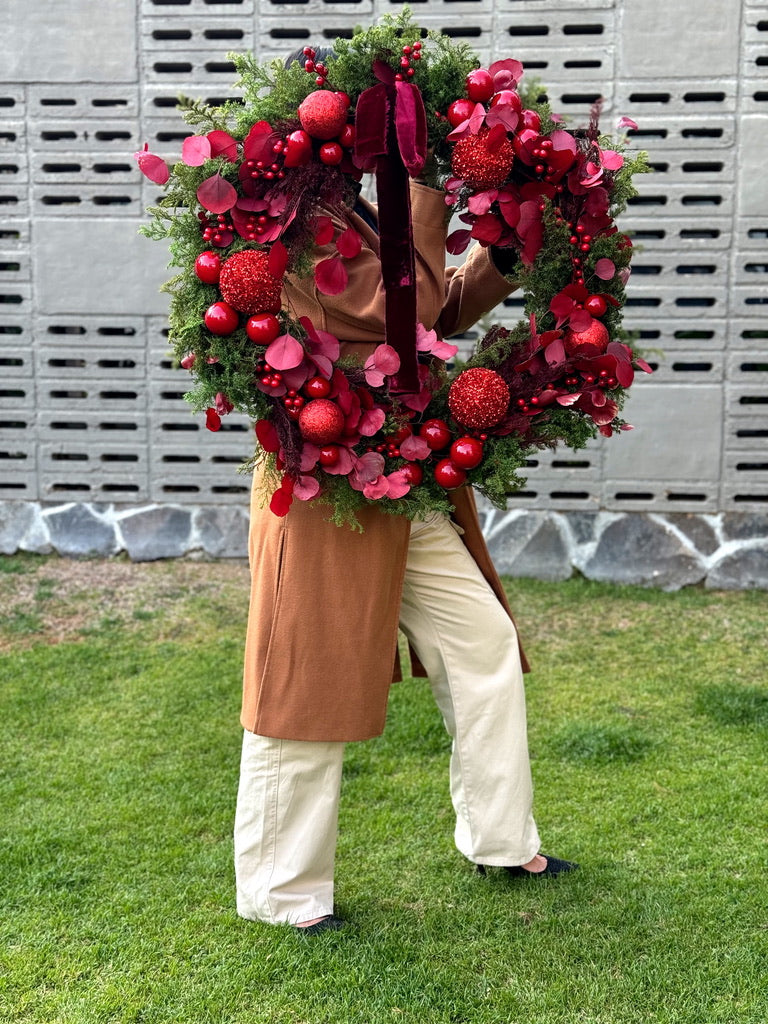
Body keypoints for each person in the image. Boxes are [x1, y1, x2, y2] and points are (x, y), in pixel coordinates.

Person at [233, 77, 577, 934]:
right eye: (382, 138)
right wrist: (423, 188)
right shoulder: (300, 222)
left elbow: (429, 313)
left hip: (407, 480)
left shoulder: (357, 209)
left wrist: (509, 249)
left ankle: (503, 840)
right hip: (328, 491)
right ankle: (284, 895)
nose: (381, 151)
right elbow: (399, 307)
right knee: (306, 687)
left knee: (483, 642)